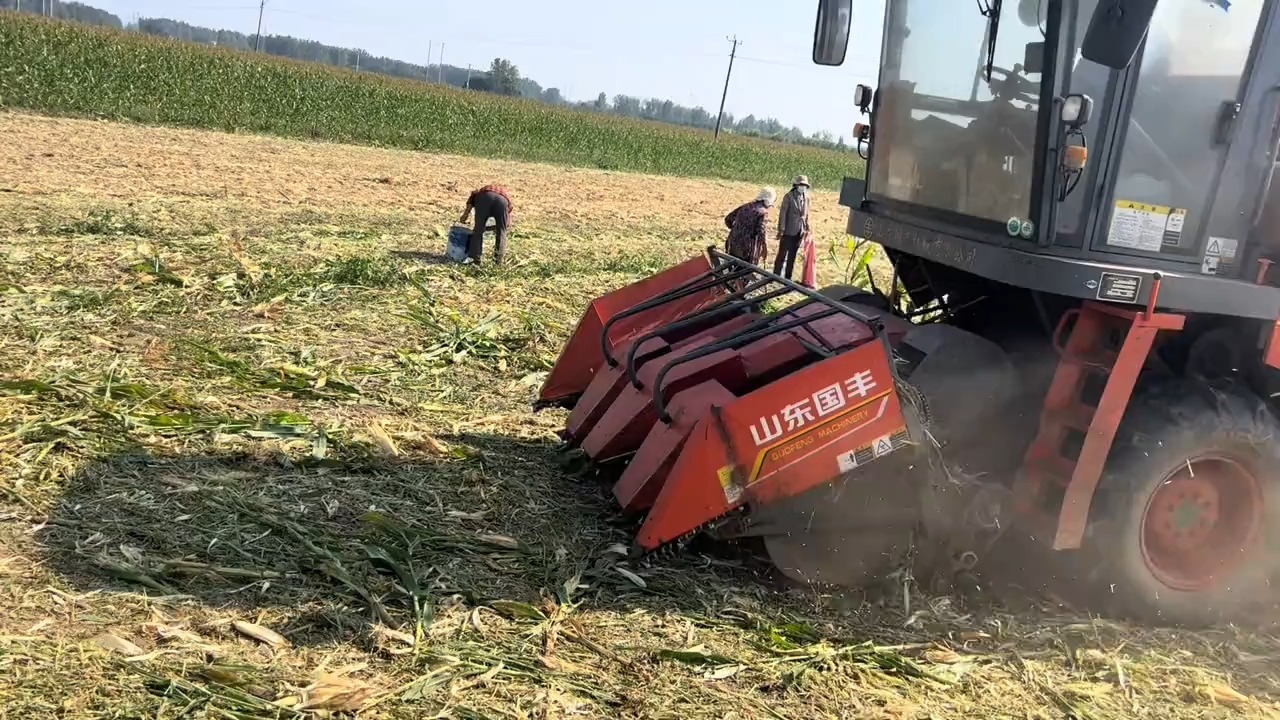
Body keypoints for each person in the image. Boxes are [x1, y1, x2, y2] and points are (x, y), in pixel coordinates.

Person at [459, 184, 513, 265]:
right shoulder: (507, 203)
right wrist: (490, 228)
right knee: (502, 232)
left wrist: (465, 215)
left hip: (484, 198)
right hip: (503, 201)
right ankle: (498, 262)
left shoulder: (477, 194)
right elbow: (506, 225)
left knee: (478, 231)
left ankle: (475, 260)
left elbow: (470, 201)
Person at [724, 187, 775, 266]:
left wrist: (737, 230)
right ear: (768, 201)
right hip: (746, 250)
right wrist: (764, 248)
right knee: (745, 273)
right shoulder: (763, 213)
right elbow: (761, 232)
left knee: (732, 270)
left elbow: (728, 219)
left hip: (733, 243)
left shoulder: (745, 206)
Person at [775, 175, 811, 280]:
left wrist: (806, 226)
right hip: (788, 230)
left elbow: (806, 214)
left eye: (804, 185)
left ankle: (788, 277)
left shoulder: (806, 198)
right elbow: (783, 213)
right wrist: (781, 229)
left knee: (793, 255)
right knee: (782, 254)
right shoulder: (789, 197)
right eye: (801, 185)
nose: (803, 187)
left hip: (800, 231)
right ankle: (776, 275)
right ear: (796, 185)